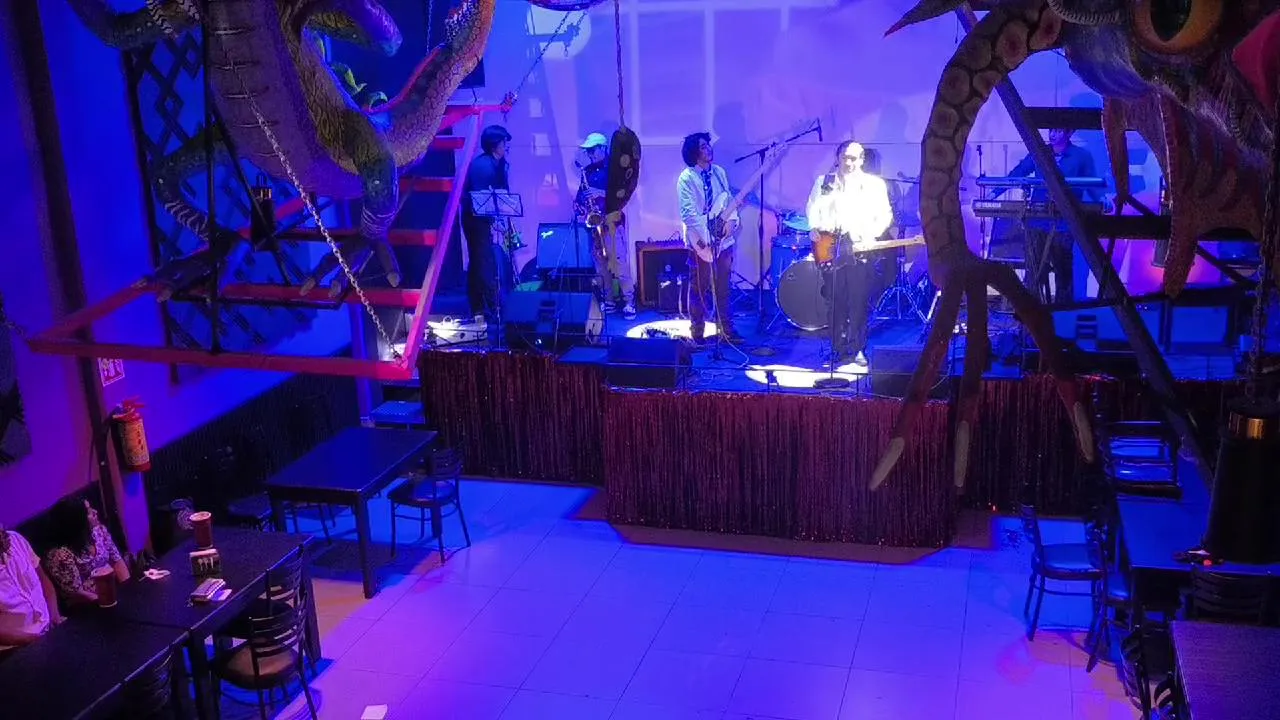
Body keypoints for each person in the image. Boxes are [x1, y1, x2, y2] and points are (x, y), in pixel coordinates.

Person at [805, 140, 893, 366]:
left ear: (862, 160)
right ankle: (837, 347)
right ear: (837, 158)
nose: (848, 162)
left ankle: (857, 348)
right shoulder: (824, 181)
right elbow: (812, 207)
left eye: (853, 158)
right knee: (835, 299)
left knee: (858, 299)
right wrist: (814, 226)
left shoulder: (873, 185)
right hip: (830, 245)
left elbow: (884, 214)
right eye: (845, 157)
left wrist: (872, 234)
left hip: (858, 244)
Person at [1002, 128, 1108, 304]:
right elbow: (1019, 172)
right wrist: (995, 192)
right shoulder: (1039, 152)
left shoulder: (1081, 156)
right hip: (1037, 221)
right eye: (1051, 130)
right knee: (1034, 271)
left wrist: (1103, 199)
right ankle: (1032, 313)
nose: (1052, 135)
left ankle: (1062, 314)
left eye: (1058, 131)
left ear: (1068, 133)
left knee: (1063, 271)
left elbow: (1091, 183)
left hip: (1064, 223)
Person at [677, 132, 741, 343]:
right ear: (694, 152)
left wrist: (732, 222)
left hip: (723, 242)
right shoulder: (687, 178)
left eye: (708, 145)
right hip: (700, 242)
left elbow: (728, 201)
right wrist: (708, 236)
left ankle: (727, 331)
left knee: (723, 287)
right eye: (703, 147)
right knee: (699, 288)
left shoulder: (719, 173)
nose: (709, 149)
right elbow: (689, 215)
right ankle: (697, 332)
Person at [577, 132, 636, 319]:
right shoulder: (587, 172)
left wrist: (600, 193)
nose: (589, 154)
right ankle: (608, 299)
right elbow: (581, 195)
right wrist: (580, 204)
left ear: (603, 148)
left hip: (612, 221)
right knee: (600, 265)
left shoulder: (616, 168)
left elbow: (623, 194)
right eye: (588, 151)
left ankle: (629, 301)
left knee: (619, 262)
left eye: (592, 150)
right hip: (595, 223)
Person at [461, 125, 513, 325]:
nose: (507, 146)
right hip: (475, 220)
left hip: (483, 219)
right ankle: (489, 309)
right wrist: (495, 219)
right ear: (494, 145)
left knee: (480, 262)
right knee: (483, 262)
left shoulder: (498, 164)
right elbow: (481, 198)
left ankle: (480, 309)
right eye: (504, 142)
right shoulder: (482, 166)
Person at [43, 498, 130, 609]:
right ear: (78, 522)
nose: (95, 512)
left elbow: (117, 561)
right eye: (89, 512)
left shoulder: (99, 531)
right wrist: (108, 603)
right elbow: (77, 593)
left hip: (113, 593)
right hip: (89, 606)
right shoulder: (60, 555)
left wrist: (128, 589)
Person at [0, 524, 62, 653]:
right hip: (15, 648)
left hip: (50, 627)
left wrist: (55, 616)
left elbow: (44, 580)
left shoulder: (15, 539)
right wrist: (31, 639)